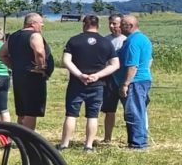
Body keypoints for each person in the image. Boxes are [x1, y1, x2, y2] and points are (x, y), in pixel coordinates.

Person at [58, 14, 119, 151]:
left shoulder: (74, 40)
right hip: (97, 84)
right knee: (93, 116)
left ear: (84, 25)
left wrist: (80, 75)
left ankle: (64, 144)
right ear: (98, 25)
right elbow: (115, 64)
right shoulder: (106, 42)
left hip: (76, 83)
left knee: (71, 114)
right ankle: (88, 145)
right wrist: (97, 75)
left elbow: (66, 61)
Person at [3, 14, 52, 123]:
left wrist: (14, 66)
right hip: (33, 76)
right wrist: (41, 67)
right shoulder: (35, 35)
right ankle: (28, 134)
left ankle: (20, 133)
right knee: (31, 112)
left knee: (22, 111)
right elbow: (39, 51)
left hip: (18, 77)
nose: (42, 25)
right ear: (33, 24)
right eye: (40, 23)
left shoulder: (13, 36)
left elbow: (1, 54)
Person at [119, 14, 155, 149]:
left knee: (134, 112)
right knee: (139, 110)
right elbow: (149, 60)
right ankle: (138, 140)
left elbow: (132, 66)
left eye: (122, 25)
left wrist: (125, 84)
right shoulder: (143, 38)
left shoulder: (133, 42)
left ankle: (138, 143)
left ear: (130, 26)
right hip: (143, 79)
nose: (119, 27)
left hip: (135, 82)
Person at [100, 16, 131, 145]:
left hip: (123, 78)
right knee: (109, 110)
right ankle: (107, 138)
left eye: (114, 23)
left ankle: (132, 138)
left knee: (129, 110)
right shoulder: (105, 40)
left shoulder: (126, 40)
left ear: (121, 24)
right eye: (110, 24)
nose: (111, 26)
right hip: (109, 79)